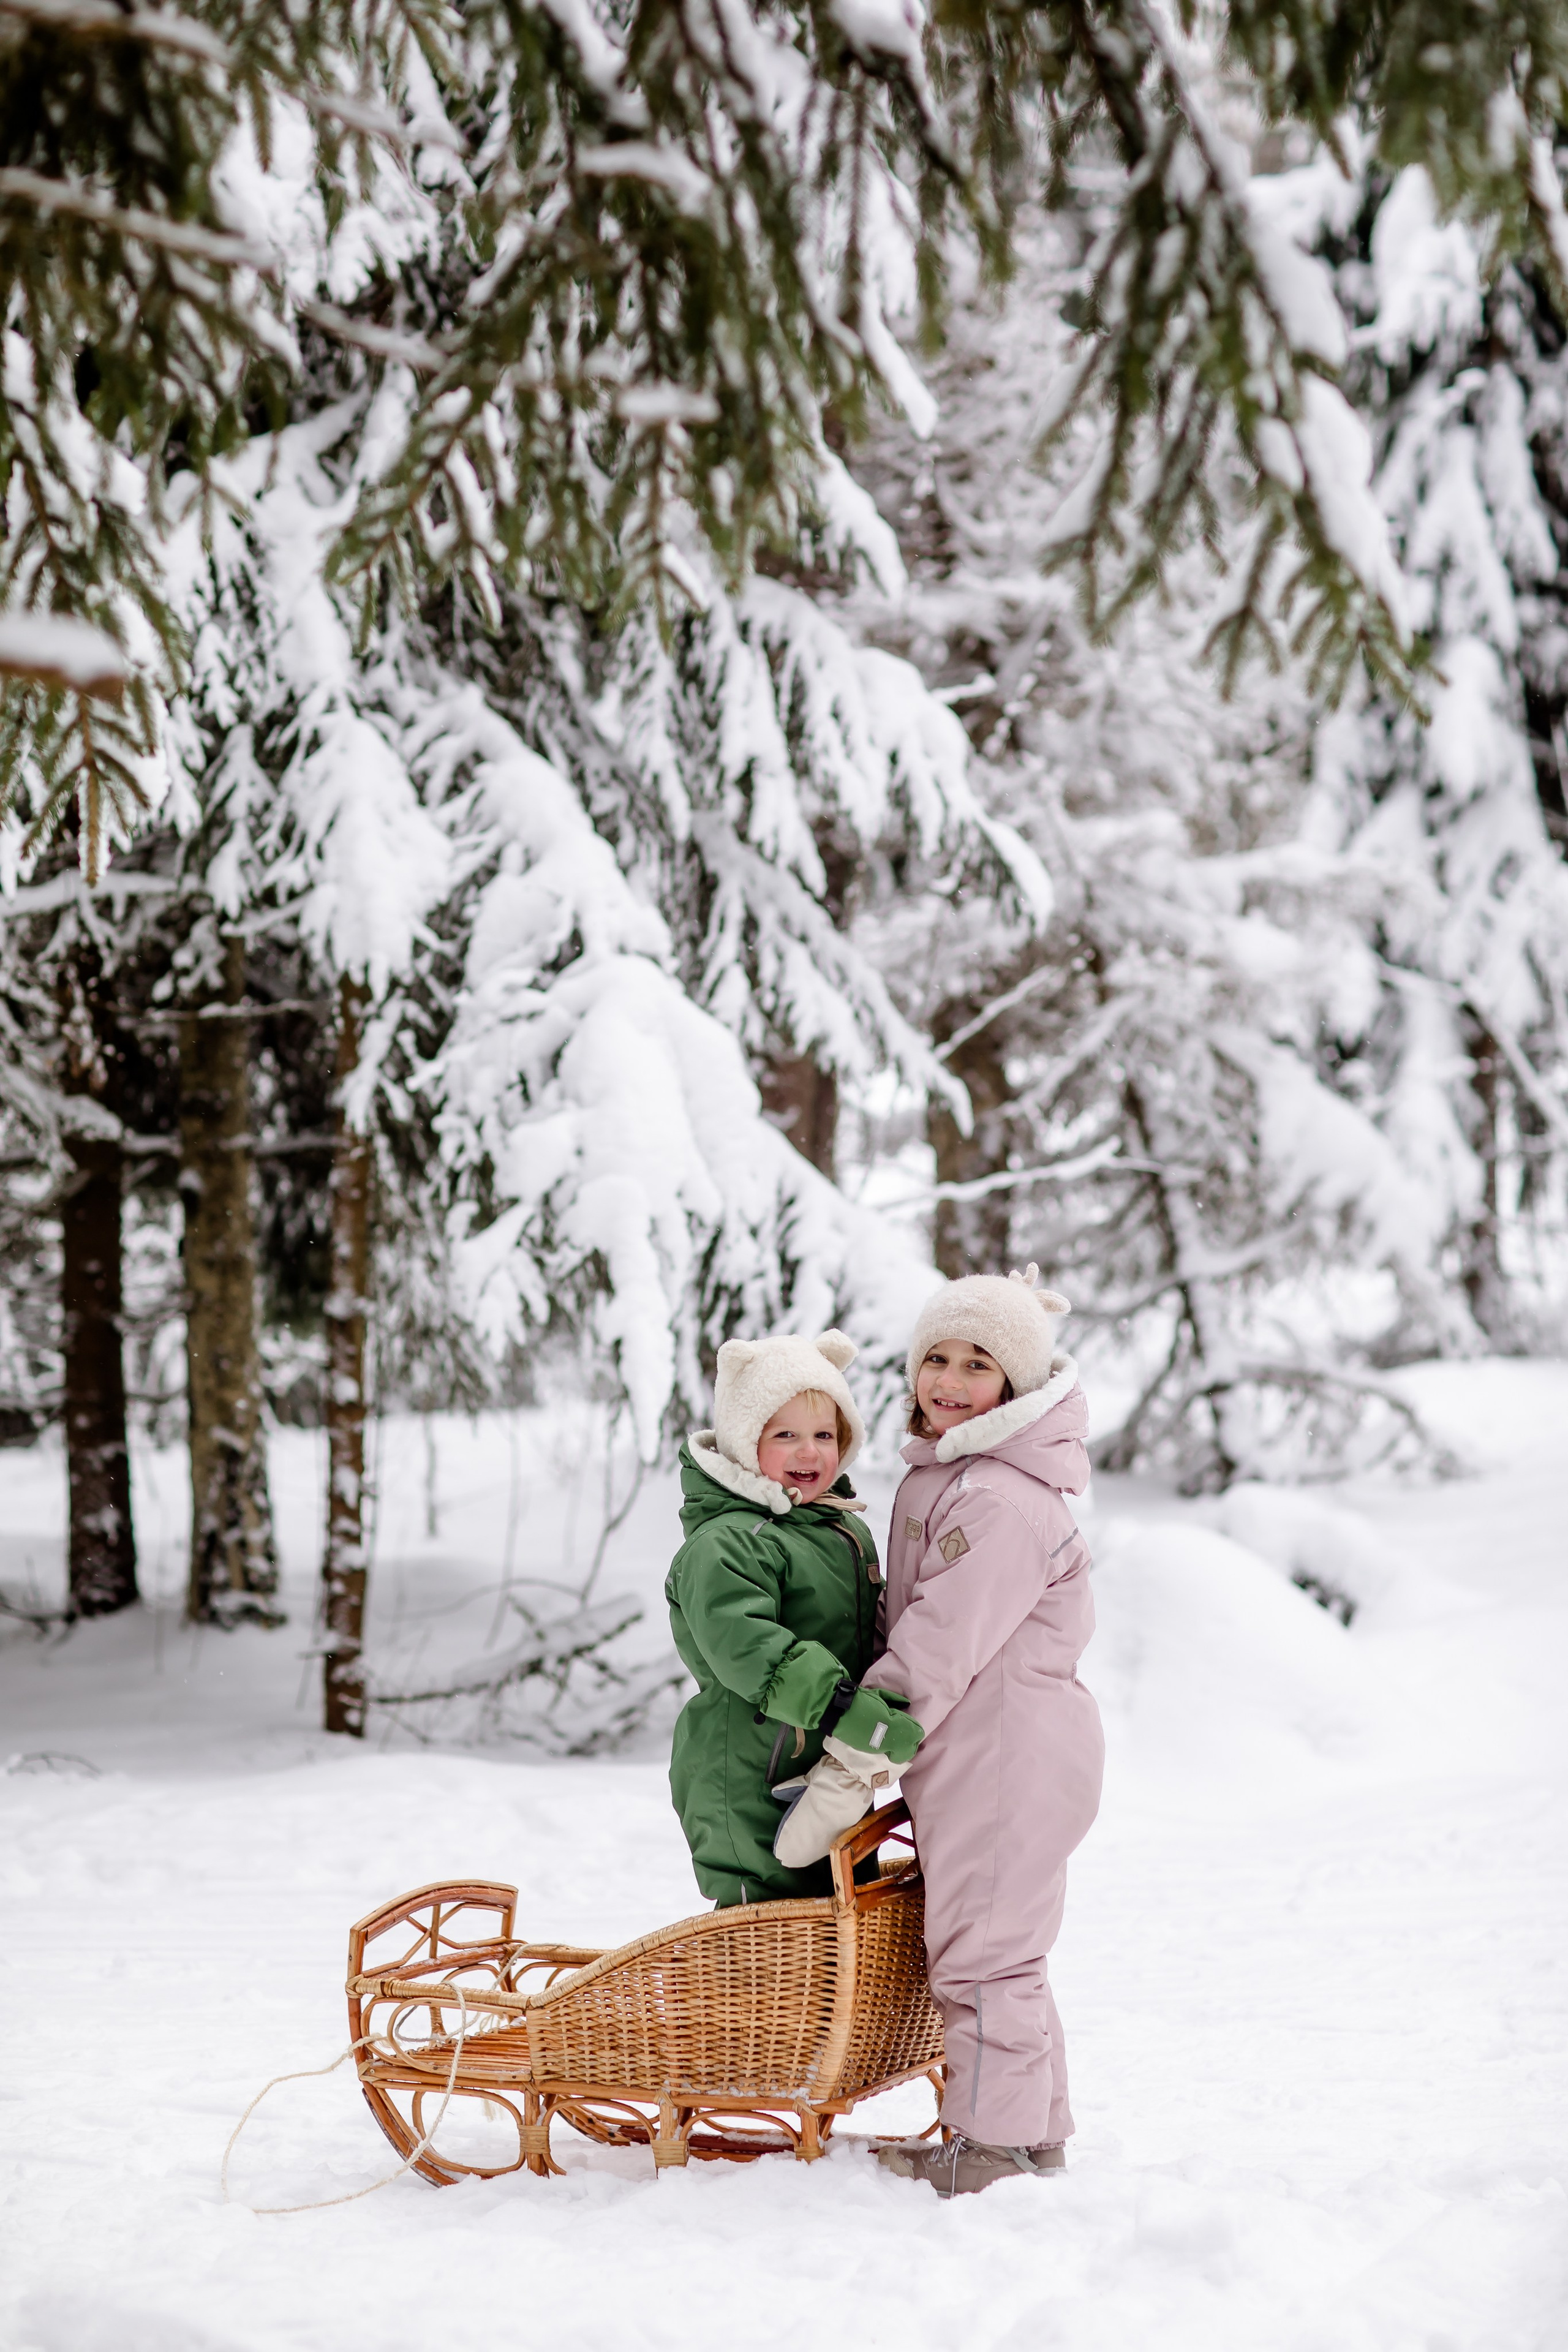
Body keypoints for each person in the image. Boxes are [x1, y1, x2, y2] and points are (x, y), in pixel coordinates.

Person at [777, 1267, 1104, 2197]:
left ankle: (992, 2147)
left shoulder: (997, 1498)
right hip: (988, 1750)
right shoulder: (959, 1474)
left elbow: (938, 1642)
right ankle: (1030, 2135)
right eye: (937, 1359)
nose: (950, 1382)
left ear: (1019, 1384)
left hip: (1009, 1755)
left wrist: (860, 1748)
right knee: (1004, 1947)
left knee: (986, 1953)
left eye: (978, 1365)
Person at [665, 1329, 919, 1909]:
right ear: (743, 1440)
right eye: (786, 1436)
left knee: (834, 1917)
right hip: (747, 1773)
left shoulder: (837, 1529)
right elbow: (753, 1649)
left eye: (825, 1435)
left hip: (823, 1766)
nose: (810, 1452)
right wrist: (845, 1710)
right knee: (768, 1930)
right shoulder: (726, 1545)